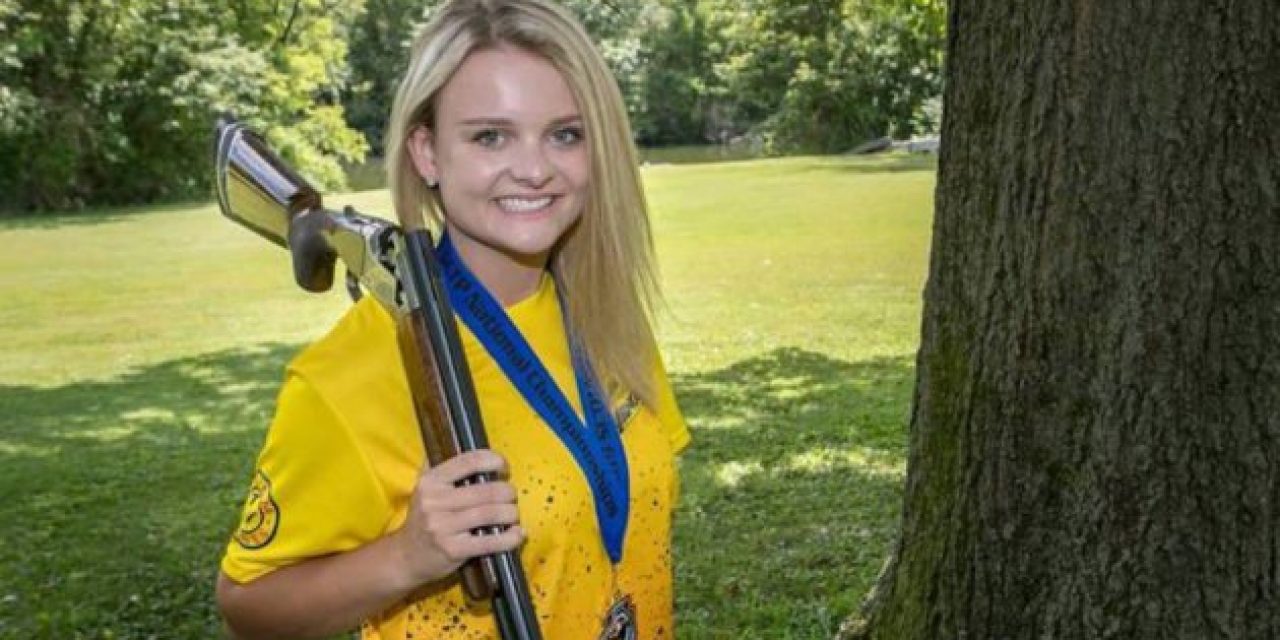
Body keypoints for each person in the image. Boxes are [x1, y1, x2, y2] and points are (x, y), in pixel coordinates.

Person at [214, 1, 691, 639]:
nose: (535, 167)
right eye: (490, 135)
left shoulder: (606, 316)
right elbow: (247, 606)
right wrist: (406, 556)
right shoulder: (347, 375)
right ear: (428, 153)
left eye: (566, 134)